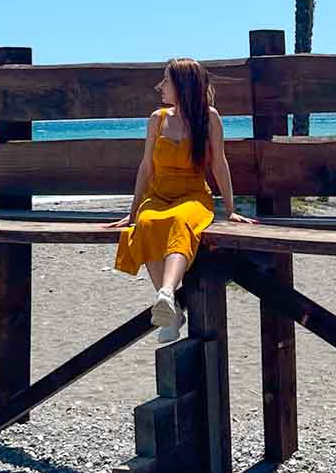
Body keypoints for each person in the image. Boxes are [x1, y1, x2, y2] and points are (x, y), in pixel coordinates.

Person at [106, 57, 253, 343]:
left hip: (192, 196)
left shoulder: (208, 117)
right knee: (146, 224)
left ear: (183, 86)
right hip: (158, 194)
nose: (159, 86)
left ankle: (166, 294)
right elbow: (146, 167)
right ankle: (171, 312)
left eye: (166, 81)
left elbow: (219, 165)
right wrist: (133, 212)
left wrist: (231, 209)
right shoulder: (157, 119)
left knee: (179, 221)